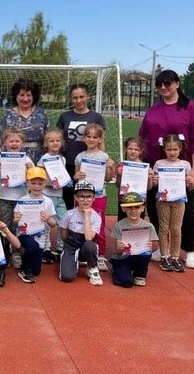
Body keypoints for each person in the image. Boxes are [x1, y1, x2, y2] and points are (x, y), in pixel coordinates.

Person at [139, 69, 194, 269]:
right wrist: (143, 167)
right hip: (156, 168)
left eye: (167, 83)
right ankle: (163, 248)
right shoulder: (153, 110)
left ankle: (190, 251)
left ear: (177, 83)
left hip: (180, 170)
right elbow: (142, 138)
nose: (163, 88)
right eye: (159, 85)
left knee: (187, 212)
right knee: (156, 210)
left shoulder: (191, 108)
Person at [56, 83, 106, 211]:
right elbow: (58, 141)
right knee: (67, 200)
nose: (78, 100)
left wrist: (101, 162)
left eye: (82, 97)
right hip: (67, 165)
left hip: (88, 166)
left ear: (88, 97)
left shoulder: (96, 117)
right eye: (75, 97)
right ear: (71, 99)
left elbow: (101, 142)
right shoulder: (64, 116)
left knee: (85, 199)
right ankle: (67, 224)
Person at [0, 128, 34, 268]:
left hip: (21, 199)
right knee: (5, 226)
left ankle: (16, 253)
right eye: (11, 141)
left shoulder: (26, 159)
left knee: (18, 227)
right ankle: (4, 252)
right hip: (3, 198)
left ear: (22, 143)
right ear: (5, 143)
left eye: (17, 141)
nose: (14, 143)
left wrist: (30, 170)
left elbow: (33, 181)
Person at [73, 123, 115, 272]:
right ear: (84, 138)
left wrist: (111, 167)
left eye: (94, 137)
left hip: (98, 195)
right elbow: (76, 176)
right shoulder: (80, 157)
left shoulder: (104, 156)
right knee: (80, 223)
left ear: (99, 139)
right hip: (82, 196)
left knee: (99, 225)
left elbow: (108, 178)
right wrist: (77, 175)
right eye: (88, 136)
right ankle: (82, 252)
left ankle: (101, 254)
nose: (91, 139)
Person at [151, 134, 191, 273]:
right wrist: (154, 180)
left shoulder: (185, 165)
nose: (172, 152)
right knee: (163, 228)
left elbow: (189, 185)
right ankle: (164, 256)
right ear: (164, 149)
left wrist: (190, 181)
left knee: (176, 229)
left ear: (180, 149)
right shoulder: (159, 164)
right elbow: (155, 184)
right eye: (169, 149)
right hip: (163, 201)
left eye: (175, 149)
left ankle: (175, 256)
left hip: (179, 200)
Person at [13, 167, 57, 283]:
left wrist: (48, 218)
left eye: (40, 183)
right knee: (32, 246)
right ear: (27, 183)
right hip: (25, 235)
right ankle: (23, 270)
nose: (36, 186)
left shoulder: (48, 201)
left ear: (45, 184)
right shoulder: (22, 200)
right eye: (33, 183)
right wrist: (16, 219)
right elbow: (15, 223)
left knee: (36, 271)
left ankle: (27, 258)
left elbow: (53, 224)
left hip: (41, 237)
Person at [109, 192, 159, 288]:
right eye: (129, 208)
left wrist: (151, 246)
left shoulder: (148, 226)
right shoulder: (119, 226)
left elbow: (155, 247)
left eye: (137, 207)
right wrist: (120, 247)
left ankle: (139, 274)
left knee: (146, 254)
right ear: (123, 209)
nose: (133, 211)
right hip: (122, 258)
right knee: (127, 282)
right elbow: (118, 251)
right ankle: (117, 268)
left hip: (139, 257)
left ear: (142, 208)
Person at [58, 181, 103, 286]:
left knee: (90, 245)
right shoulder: (69, 214)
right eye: (81, 196)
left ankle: (93, 268)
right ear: (76, 198)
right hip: (71, 245)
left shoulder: (96, 217)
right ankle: (72, 260)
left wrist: (87, 216)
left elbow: (88, 238)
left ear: (93, 198)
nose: (85, 200)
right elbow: (63, 231)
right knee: (67, 277)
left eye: (89, 197)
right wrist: (67, 244)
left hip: (86, 244)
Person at [0, 78, 49, 164]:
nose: (25, 99)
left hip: (38, 159)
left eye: (28, 95)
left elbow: (47, 138)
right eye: (21, 95)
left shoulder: (42, 114)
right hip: (13, 159)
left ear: (33, 96)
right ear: (16, 96)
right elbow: (1, 140)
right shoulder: (7, 115)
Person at [37, 129, 68, 260]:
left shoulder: (62, 158)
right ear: (46, 144)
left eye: (57, 140)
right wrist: (50, 183)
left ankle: (60, 247)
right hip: (47, 195)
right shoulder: (44, 159)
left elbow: (62, 176)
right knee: (46, 222)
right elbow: (40, 177)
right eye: (51, 141)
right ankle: (46, 248)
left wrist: (65, 181)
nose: (55, 143)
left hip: (59, 195)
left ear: (61, 143)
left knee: (64, 221)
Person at [115, 136, 152, 221]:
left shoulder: (145, 167)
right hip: (124, 199)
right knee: (123, 223)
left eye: (136, 149)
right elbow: (118, 185)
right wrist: (119, 175)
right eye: (130, 148)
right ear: (126, 149)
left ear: (141, 151)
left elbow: (149, 187)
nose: (133, 151)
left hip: (139, 200)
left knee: (137, 224)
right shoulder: (121, 165)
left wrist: (149, 178)